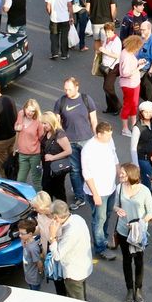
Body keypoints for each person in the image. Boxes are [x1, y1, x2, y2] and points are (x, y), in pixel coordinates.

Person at [50, 200, 95, 302]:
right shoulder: (77, 219)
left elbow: (57, 255)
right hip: (83, 267)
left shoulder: (70, 232)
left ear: (57, 217)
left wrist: (52, 238)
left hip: (73, 272)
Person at [53, 77, 100, 207]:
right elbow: (57, 123)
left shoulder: (86, 99)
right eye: (65, 89)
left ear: (77, 88)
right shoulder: (61, 102)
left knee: (89, 168)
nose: (67, 91)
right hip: (70, 142)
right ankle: (80, 196)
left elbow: (94, 120)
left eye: (70, 89)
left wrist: (96, 137)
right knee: (74, 170)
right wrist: (61, 139)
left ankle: (93, 190)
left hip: (87, 140)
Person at [113, 162, 152, 302]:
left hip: (138, 233)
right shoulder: (119, 188)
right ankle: (129, 289)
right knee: (126, 260)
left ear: (131, 175)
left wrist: (138, 224)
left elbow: (150, 213)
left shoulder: (144, 191)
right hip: (123, 230)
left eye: (123, 173)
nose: (120, 175)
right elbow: (115, 205)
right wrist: (117, 210)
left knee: (138, 260)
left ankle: (138, 289)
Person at [81, 121, 120, 261]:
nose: (110, 138)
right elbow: (87, 174)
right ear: (98, 134)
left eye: (111, 135)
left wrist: (120, 173)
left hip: (110, 188)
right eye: (107, 136)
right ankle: (100, 248)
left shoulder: (109, 141)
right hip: (98, 191)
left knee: (107, 215)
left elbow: (115, 157)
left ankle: (102, 240)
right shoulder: (89, 149)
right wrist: (95, 194)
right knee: (99, 219)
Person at [13, 98, 44, 188]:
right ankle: (21, 200)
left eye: (33, 111)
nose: (30, 113)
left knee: (36, 180)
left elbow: (41, 138)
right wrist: (16, 127)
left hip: (35, 155)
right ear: (24, 108)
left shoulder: (38, 121)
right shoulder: (21, 114)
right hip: (22, 153)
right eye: (28, 110)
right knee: (20, 180)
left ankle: (41, 200)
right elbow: (16, 126)